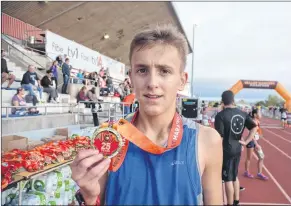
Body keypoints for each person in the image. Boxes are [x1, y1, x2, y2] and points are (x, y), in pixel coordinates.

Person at [71, 24, 223, 205]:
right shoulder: (108, 138)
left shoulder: (206, 140)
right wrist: (87, 196)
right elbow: (91, 199)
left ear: (182, 80)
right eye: (142, 70)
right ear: (132, 77)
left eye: (164, 71)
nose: (152, 82)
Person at [215, 90, 258, 206]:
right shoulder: (242, 113)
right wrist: (247, 141)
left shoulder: (220, 116)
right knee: (234, 175)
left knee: (228, 178)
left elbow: (219, 136)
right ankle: (236, 201)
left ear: (222, 101)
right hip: (238, 148)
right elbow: (254, 127)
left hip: (227, 149)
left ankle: (229, 203)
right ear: (233, 100)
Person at [244, 108, 268, 180]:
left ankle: (259, 173)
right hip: (251, 141)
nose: (261, 114)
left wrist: (260, 135)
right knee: (249, 158)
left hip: (256, 141)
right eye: (259, 113)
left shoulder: (258, 121)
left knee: (261, 157)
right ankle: (246, 172)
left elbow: (257, 132)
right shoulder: (252, 122)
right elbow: (251, 134)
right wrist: (256, 144)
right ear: (255, 115)